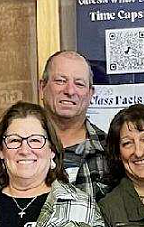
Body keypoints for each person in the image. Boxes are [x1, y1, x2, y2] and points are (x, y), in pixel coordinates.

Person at [38, 51, 110, 201]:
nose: (70, 91)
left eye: (79, 84)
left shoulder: (110, 150)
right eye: (60, 81)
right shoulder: (16, 148)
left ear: (91, 94)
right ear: (42, 87)